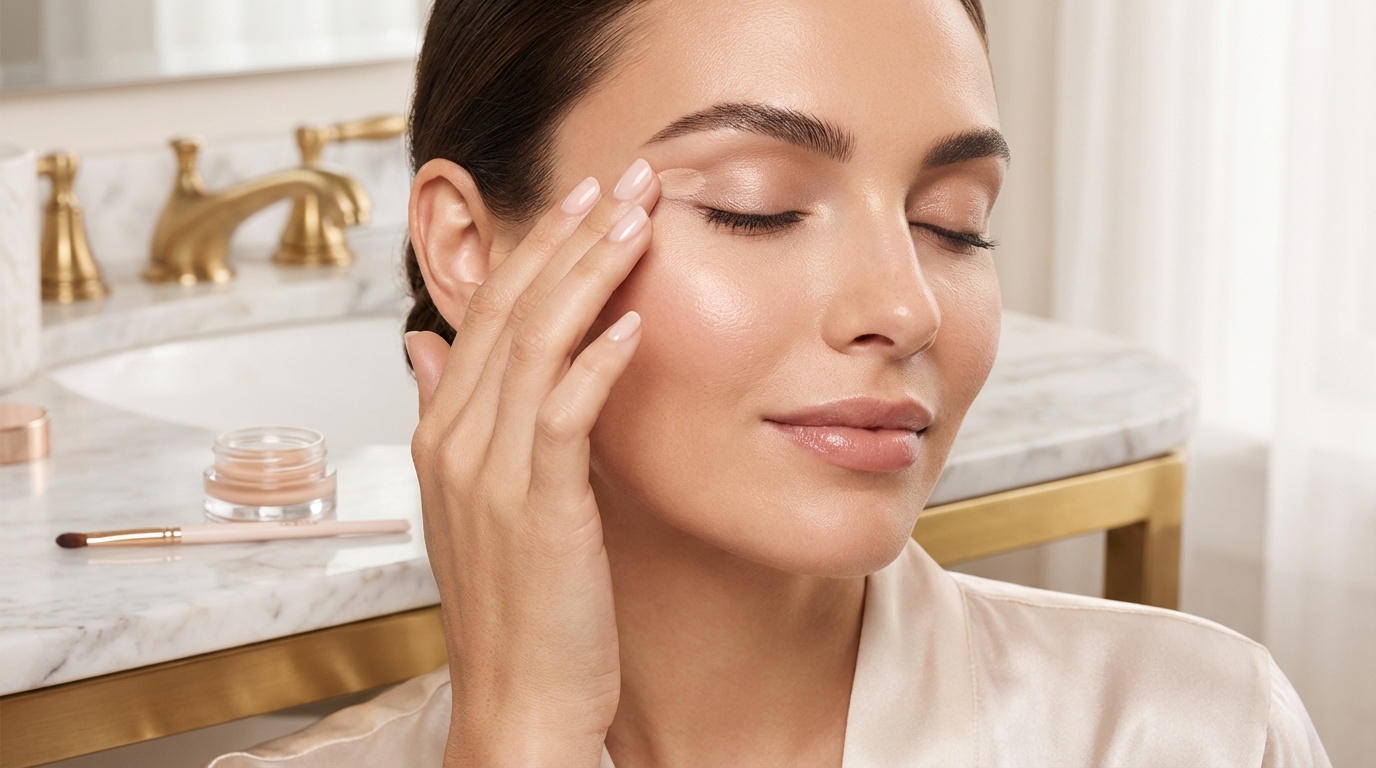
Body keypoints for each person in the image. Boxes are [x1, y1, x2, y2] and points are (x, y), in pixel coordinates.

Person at [211, 0, 1330, 765]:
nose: (904, 307)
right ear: (467, 246)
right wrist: (524, 737)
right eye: (756, 204)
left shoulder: (1189, 732)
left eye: (954, 223)